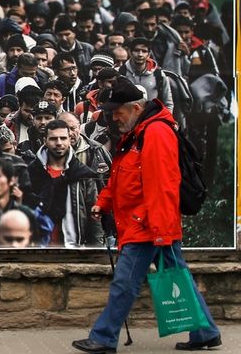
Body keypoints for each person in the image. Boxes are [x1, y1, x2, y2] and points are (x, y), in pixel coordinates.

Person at [72, 78, 221, 353]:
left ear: (136, 108)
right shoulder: (137, 132)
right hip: (149, 225)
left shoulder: (155, 133)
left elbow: (162, 185)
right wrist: (103, 202)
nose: (114, 117)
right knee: (178, 276)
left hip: (148, 227)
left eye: (118, 111)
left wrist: (162, 231)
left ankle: (104, 338)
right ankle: (205, 332)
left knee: (125, 283)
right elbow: (123, 175)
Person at [27, 119, 102, 247]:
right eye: (53, 139)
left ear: (69, 139)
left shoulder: (82, 174)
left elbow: (94, 215)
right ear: (45, 140)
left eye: (63, 138)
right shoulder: (32, 172)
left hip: (73, 246)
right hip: (38, 246)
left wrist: (97, 248)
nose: (59, 143)